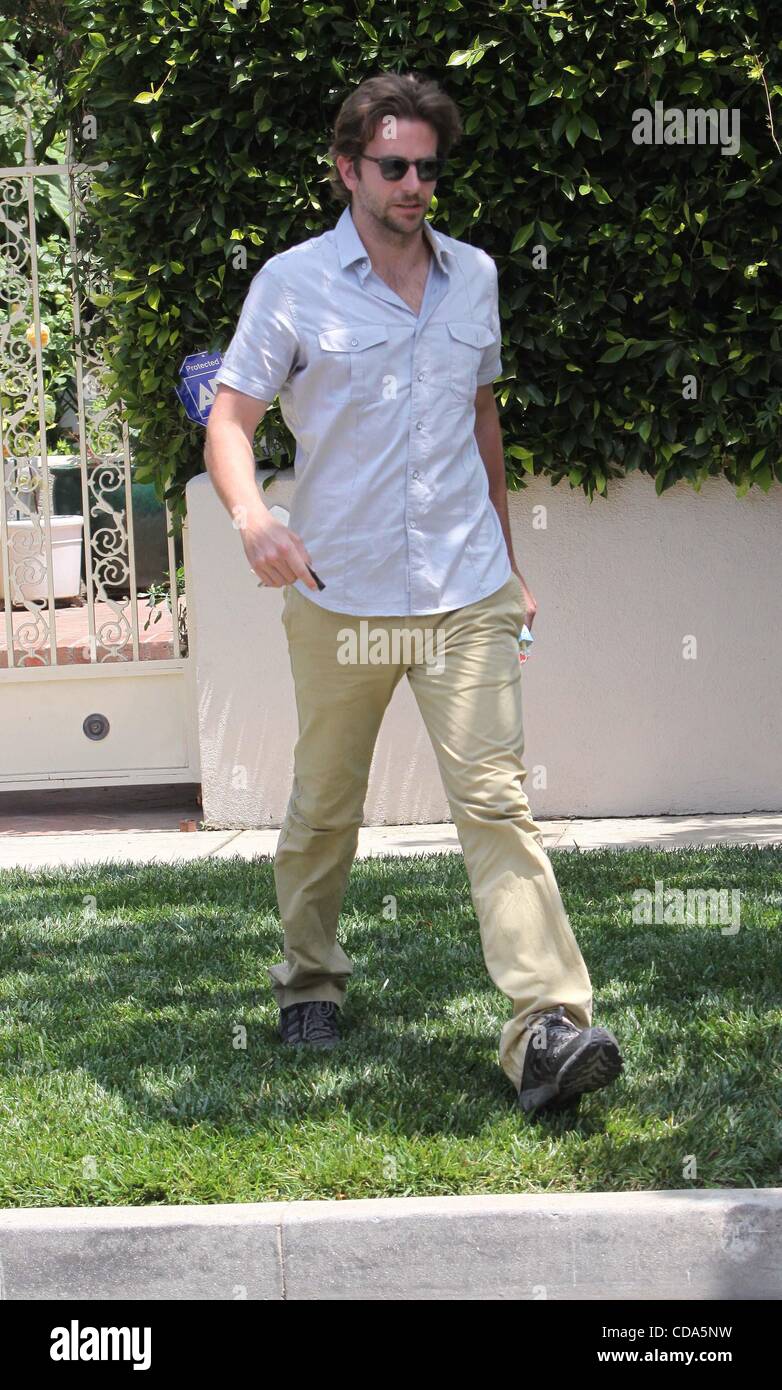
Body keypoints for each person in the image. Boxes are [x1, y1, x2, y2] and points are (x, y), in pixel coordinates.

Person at [205, 71, 623, 1118]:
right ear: (347, 168)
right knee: (324, 803)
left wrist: (512, 561)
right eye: (392, 166)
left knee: (494, 800)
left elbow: (478, 416)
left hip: (464, 591)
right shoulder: (293, 284)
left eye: (427, 168)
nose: (412, 185)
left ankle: (544, 1028)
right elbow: (229, 418)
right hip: (339, 594)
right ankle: (308, 977)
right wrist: (255, 519)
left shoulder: (473, 276)